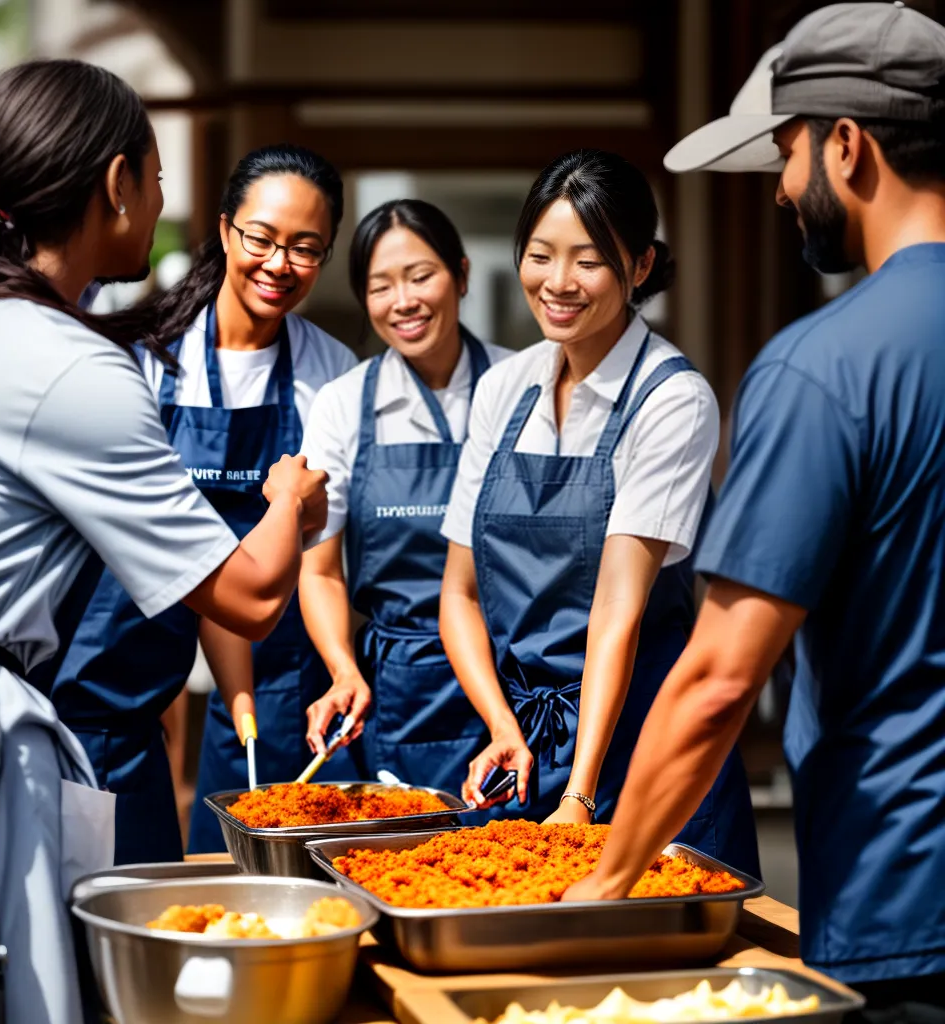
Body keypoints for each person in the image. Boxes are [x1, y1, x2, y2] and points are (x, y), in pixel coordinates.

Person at [0, 60, 328, 1024]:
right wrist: (289, 496)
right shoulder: (66, 362)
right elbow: (250, 593)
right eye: (153, 178)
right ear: (115, 184)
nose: (158, 202)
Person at [562, 4, 945, 1017]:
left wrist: (602, 885)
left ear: (847, 146)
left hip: (905, 892)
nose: (780, 187)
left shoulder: (827, 367)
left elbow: (720, 678)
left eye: (785, 153)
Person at [438, 150, 759, 874]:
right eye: (540, 255)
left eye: (588, 261)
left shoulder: (672, 399)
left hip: (645, 740)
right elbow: (457, 593)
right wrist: (500, 724)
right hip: (522, 746)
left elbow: (616, 612)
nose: (557, 283)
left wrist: (579, 796)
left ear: (640, 266)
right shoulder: (504, 389)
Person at [51, 144, 364, 861]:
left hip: (271, 654)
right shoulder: (138, 355)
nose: (279, 264)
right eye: (261, 239)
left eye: (306, 248)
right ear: (225, 231)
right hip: (105, 670)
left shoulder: (330, 375)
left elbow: (315, 557)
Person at [298, 200, 511, 792]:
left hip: (514, 674)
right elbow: (319, 571)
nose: (404, 301)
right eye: (381, 286)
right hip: (403, 683)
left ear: (461, 275)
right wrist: (343, 667)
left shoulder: (522, 385)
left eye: (421, 276)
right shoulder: (343, 405)